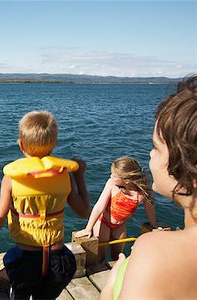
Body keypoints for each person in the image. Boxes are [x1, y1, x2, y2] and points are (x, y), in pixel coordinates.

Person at [0, 111, 90, 300]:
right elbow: (84, 212)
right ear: (54, 144)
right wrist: (79, 175)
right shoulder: (66, 176)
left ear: (21, 144)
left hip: (25, 262)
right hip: (59, 260)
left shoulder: (11, 180)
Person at [101, 75, 197, 300]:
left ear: (190, 170)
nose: (150, 155)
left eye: (156, 147)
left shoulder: (153, 252)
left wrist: (112, 285)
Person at [75, 156, 158, 262]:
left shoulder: (141, 192)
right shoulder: (111, 184)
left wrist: (153, 223)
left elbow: (149, 206)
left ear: (126, 181)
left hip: (120, 226)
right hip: (103, 222)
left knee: (118, 256)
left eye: (114, 175)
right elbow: (99, 206)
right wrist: (88, 228)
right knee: (100, 256)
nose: (111, 176)